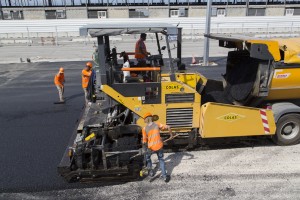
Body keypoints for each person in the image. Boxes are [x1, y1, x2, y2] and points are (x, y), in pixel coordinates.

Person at [142, 112, 173, 182]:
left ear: (146, 119)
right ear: (151, 118)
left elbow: (144, 141)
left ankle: (151, 173)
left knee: (148, 159)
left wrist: (144, 149)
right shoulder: (157, 124)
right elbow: (168, 127)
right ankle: (164, 176)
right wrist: (171, 135)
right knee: (161, 160)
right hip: (159, 146)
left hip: (150, 148)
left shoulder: (144, 129)